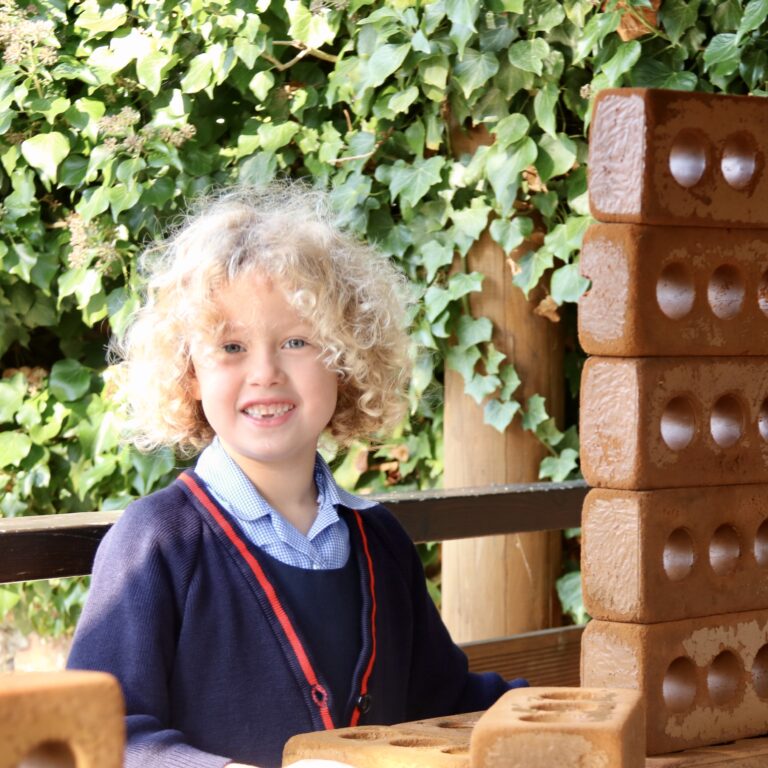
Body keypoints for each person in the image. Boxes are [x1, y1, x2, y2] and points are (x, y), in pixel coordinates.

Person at [67, 182, 526, 768]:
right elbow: (100, 732)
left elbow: (444, 700)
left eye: (296, 341)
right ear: (188, 373)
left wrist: (566, 709)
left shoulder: (380, 543)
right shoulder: (157, 542)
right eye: (231, 346)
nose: (265, 373)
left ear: (348, 359)